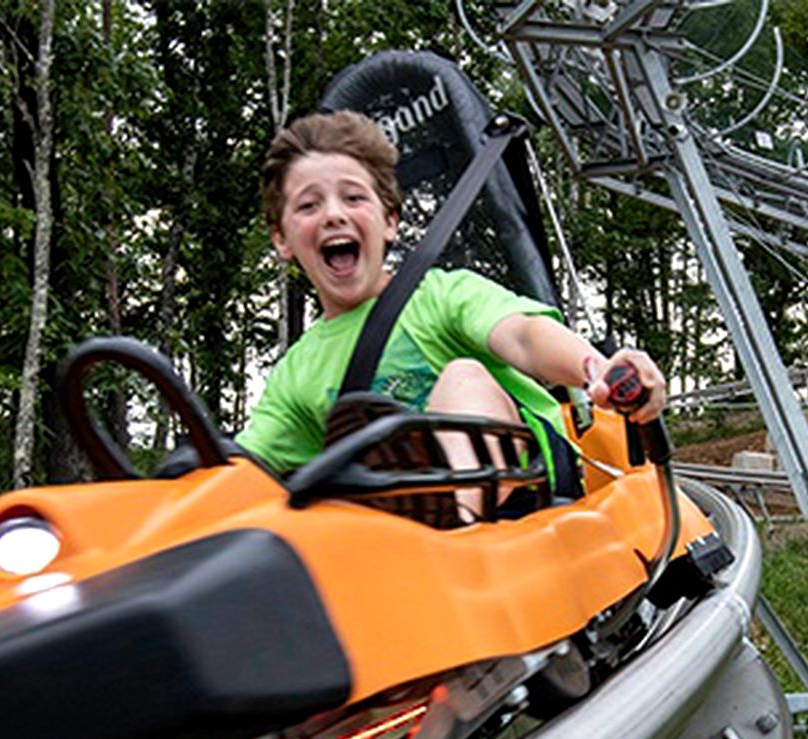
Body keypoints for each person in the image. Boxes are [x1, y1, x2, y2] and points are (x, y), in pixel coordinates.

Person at [236, 110, 665, 517]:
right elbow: (244, 467)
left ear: (390, 221)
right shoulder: (295, 372)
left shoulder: (440, 295)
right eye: (309, 206)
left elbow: (523, 337)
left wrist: (597, 369)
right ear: (282, 240)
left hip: (527, 491)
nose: (333, 214)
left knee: (464, 377)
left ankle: (450, 520)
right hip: (388, 520)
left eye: (353, 197)